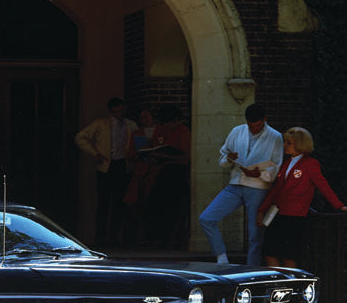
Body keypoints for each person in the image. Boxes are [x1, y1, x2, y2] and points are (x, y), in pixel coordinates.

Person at [256, 126, 347, 268]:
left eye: (289, 143)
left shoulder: (310, 164)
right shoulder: (286, 163)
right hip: (279, 214)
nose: (285, 146)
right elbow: (276, 190)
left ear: (300, 143)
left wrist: (339, 206)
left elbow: (323, 186)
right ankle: (278, 284)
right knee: (269, 252)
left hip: (295, 217)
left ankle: (290, 287)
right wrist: (262, 210)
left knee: (288, 256)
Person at [198, 103, 283, 265]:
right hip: (236, 183)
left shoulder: (275, 136)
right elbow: (223, 157)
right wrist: (229, 159)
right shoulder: (237, 131)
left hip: (258, 187)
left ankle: (251, 273)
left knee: (254, 236)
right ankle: (221, 258)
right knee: (206, 218)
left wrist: (260, 174)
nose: (254, 129)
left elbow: (276, 166)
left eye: (258, 126)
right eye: (251, 126)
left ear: (265, 120)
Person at [75, 97, 137, 246]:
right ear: (111, 111)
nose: (120, 113)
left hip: (123, 165)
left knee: (119, 203)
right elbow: (80, 138)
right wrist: (95, 153)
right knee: (104, 203)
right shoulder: (101, 124)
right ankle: (101, 237)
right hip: (106, 166)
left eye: (122, 110)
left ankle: (114, 237)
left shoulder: (131, 125)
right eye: (117, 111)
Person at [144, 104, 191, 248]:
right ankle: (158, 237)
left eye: (170, 122)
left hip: (177, 172)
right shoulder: (165, 130)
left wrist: (163, 156)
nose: (168, 125)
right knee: (159, 205)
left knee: (172, 207)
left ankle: (169, 239)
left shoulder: (183, 132)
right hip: (165, 171)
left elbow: (185, 156)